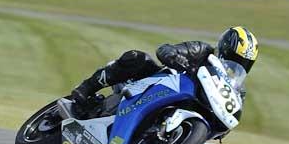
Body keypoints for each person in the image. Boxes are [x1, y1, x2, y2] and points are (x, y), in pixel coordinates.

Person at [71, 26, 259, 115]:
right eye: (233, 58)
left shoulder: (236, 92)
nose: (234, 65)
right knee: (137, 58)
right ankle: (86, 88)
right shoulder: (201, 50)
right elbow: (165, 49)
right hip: (159, 83)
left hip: (185, 107)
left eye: (241, 63)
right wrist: (175, 57)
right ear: (223, 49)